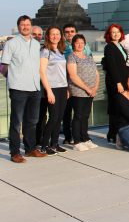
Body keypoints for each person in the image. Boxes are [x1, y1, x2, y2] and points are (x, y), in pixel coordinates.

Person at [1, 15, 45, 163]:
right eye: (22, 24)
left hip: (34, 87)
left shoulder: (36, 44)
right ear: (18, 26)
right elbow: (3, 67)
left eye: (28, 24)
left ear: (31, 26)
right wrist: (14, 78)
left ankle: (30, 149)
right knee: (16, 122)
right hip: (18, 88)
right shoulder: (11, 44)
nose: (25, 27)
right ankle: (14, 153)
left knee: (32, 121)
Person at [38, 26, 68, 155]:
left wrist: (66, 88)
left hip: (63, 87)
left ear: (61, 36)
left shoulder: (61, 51)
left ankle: (54, 144)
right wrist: (49, 91)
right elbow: (42, 72)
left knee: (59, 117)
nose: (55, 36)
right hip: (53, 88)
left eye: (57, 34)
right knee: (53, 117)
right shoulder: (45, 51)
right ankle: (44, 146)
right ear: (48, 36)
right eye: (52, 34)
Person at [67, 34, 100, 151]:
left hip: (91, 91)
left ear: (85, 44)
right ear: (73, 44)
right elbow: (73, 76)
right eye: (77, 42)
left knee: (85, 116)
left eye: (82, 42)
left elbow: (96, 73)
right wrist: (87, 88)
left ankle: (85, 138)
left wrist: (95, 88)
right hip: (79, 91)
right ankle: (76, 141)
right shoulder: (72, 57)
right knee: (78, 115)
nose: (80, 45)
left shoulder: (89, 57)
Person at [61, 23, 92, 145]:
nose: (69, 33)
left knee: (81, 113)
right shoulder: (61, 46)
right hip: (66, 83)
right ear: (64, 34)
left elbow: (89, 62)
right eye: (67, 32)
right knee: (67, 112)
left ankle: (83, 135)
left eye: (72, 31)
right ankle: (69, 137)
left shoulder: (85, 47)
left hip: (82, 85)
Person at [103, 23, 129, 143]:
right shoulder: (109, 47)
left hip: (122, 80)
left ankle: (117, 132)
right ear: (109, 34)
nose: (115, 34)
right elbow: (112, 66)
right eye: (113, 32)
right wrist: (118, 82)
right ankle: (112, 134)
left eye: (117, 32)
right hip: (115, 82)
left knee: (119, 107)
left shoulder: (119, 45)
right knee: (114, 107)